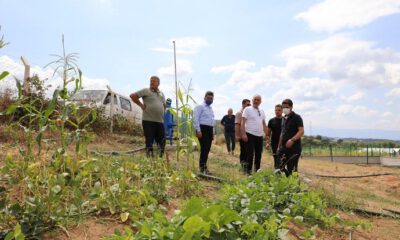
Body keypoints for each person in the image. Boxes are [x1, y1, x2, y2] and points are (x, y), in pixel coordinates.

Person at [130, 76, 166, 158]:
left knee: (162, 141)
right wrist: (141, 105)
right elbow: (132, 96)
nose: (151, 82)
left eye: (154, 81)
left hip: (160, 121)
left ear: (158, 83)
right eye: (151, 81)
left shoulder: (161, 94)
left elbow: (164, 105)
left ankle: (159, 159)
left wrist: (162, 111)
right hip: (148, 121)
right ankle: (149, 159)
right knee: (149, 141)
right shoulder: (146, 90)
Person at [241, 95, 268, 175]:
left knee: (258, 155)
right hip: (250, 134)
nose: (256, 101)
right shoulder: (247, 109)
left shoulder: (262, 111)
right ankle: (248, 173)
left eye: (258, 100)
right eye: (255, 99)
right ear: (252, 100)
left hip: (259, 136)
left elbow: (264, 124)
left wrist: (267, 136)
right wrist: (243, 134)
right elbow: (243, 122)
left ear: (260, 102)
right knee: (250, 154)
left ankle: (257, 173)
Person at [278, 99, 304, 176]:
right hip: (283, 148)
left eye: (287, 107)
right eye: (283, 107)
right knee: (279, 165)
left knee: (292, 169)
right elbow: (282, 133)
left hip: (294, 148)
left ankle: (294, 185)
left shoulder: (297, 117)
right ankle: (287, 180)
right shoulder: (283, 119)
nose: (285, 109)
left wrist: (292, 140)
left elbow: (301, 131)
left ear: (291, 107)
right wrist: (279, 146)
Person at [193, 91, 215, 174]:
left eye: (211, 98)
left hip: (209, 130)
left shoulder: (210, 109)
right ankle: (202, 168)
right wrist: (198, 130)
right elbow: (195, 118)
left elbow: (212, 121)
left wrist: (212, 132)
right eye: (208, 98)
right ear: (204, 97)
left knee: (207, 149)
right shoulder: (200, 106)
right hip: (202, 129)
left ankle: (204, 166)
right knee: (204, 148)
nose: (210, 99)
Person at [235, 99, 251, 170]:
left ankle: (247, 167)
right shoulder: (239, 113)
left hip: (249, 135)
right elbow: (237, 125)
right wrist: (237, 135)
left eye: (249, 105)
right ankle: (243, 167)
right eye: (247, 104)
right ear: (243, 104)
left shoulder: (248, 113)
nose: (249, 106)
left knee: (248, 151)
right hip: (242, 136)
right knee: (244, 151)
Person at [266, 104, 283, 169]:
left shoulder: (285, 120)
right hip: (274, 143)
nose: (277, 111)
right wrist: (267, 143)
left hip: (283, 143)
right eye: (276, 110)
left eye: (279, 110)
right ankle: (277, 173)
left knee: (283, 159)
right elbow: (268, 134)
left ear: (282, 111)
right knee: (276, 158)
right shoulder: (271, 121)